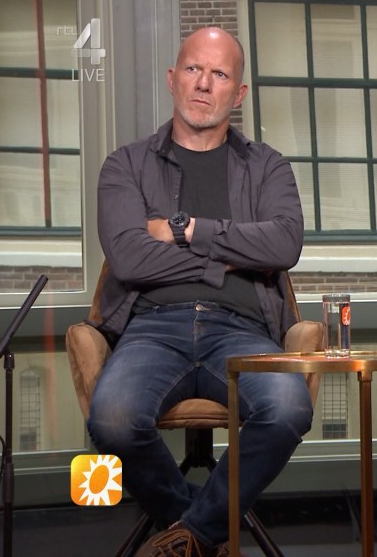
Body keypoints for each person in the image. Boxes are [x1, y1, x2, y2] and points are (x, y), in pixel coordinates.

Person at [87, 27, 313, 557]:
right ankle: (200, 531)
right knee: (112, 419)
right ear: (173, 79)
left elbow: (284, 242)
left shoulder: (268, 166)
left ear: (239, 93)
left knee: (287, 408)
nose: (203, 84)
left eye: (220, 74)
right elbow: (129, 257)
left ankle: (186, 537)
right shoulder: (125, 165)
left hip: (243, 330)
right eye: (193, 69)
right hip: (150, 328)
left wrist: (184, 228)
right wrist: (228, 259)